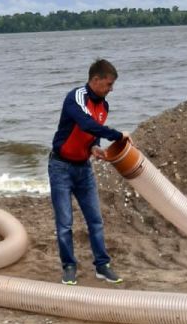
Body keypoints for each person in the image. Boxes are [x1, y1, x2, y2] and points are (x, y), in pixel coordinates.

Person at [49, 58, 129, 285]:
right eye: (108, 84)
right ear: (95, 80)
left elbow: (91, 135)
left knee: (96, 220)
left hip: (84, 169)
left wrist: (95, 147)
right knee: (65, 223)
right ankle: (69, 266)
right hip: (60, 168)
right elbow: (85, 123)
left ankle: (102, 266)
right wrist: (117, 136)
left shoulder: (104, 105)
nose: (111, 89)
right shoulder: (76, 97)